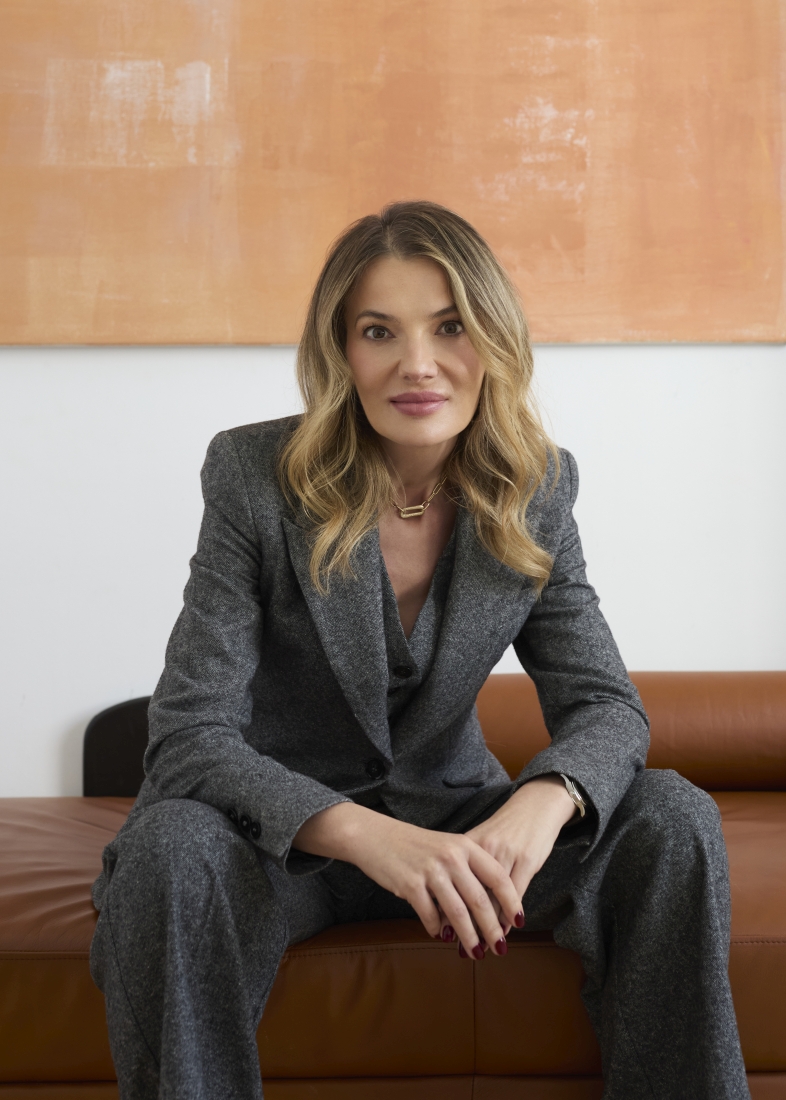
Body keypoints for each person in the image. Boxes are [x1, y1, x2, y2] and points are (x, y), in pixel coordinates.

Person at [90, 201, 749, 1099]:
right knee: (169, 846)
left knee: (672, 814)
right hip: (283, 847)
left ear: (493, 337)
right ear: (341, 351)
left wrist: (541, 804)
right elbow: (188, 736)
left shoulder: (536, 486)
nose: (418, 363)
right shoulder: (254, 477)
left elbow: (605, 706)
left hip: (458, 826)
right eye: (379, 332)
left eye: (449, 326)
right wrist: (369, 838)